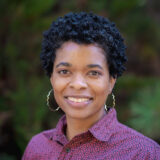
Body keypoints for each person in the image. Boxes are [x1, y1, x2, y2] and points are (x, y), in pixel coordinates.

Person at [22, 12, 160, 160]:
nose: (77, 84)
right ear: (52, 78)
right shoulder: (37, 147)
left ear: (111, 81)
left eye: (93, 73)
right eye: (64, 71)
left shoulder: (143, 153)